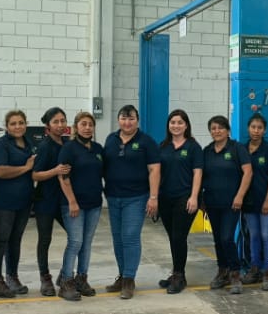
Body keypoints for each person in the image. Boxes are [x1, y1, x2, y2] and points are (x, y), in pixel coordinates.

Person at [103, 105, 160, 299]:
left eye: (131, 118)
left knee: (130, 236)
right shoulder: (111, 140)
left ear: (137, 120)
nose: (127, 122)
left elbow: (154, 170)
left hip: (136, 197)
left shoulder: (146, 142)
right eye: (124, 118)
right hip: (113, 197)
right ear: (118, 119)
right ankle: (122, 275)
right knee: (118, 238)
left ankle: (129, 279)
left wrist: (153, 197)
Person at [0, 110, 36, 298]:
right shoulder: (0, 145)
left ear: (26, 124)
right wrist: (26, 168)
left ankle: (12, 277)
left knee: (15, 240)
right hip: (2, 202)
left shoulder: (28, 144)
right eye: (13, 124)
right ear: (6, 126)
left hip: (23, 201)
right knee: (0, 240)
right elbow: (0, 171)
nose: (18, 126)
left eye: (21, 123)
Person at [56, 112, 104, 301]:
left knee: (86, 243)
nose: (87, 128)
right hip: (74, 205)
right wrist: (72, 201)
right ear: (76, 127)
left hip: (94, 204)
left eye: (90, 124)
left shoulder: (98, 149)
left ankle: (81, 278)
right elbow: (63, 177)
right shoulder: (69, 149)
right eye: (83, 124)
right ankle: (66, 281)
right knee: (75, 241)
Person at [202, 115, 252, 294]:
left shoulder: (237, 149)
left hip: (232, 203)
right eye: (213, 128)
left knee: (226, 238)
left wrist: (240, 196)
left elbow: (248, 172)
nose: (217, 131)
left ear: (227, 130)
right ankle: (222, 272)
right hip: (212, 202)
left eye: (220, 128)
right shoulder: (207, 151)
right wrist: (201, 200)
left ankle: (235, 273)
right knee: (217, 239)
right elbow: (201, 175)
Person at [156, 109, 203, 294]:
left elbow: (197, 173)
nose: (176, 125)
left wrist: (194, 196)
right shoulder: (163, 146)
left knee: (178, 237)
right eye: (173, 122)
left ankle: (179, 275)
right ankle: (176, 272)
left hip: (185, 198)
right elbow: (156, 173)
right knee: (173, 237)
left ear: (186, 125)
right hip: (165, 198)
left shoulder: (193, 147)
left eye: (180, 122)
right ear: (168, 125)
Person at [31, 107, 70, 296]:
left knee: (75, 237)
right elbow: (35, 174)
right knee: (45, 239)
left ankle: (65, 274)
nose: (60, 125)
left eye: (63, 120)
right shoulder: (45, 146)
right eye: (56, 122)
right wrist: (55, 171)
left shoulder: (67, 144)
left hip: (64, 200)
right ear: (48, 126)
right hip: (45, 201)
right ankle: (44, 277)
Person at [240, 113, 268, 291]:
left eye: (260, 128)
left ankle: (267, 272)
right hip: (249, 202)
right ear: (248, 128)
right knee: (253, 235)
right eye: (253, 127)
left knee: (266, 235)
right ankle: (254, 268)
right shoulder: (242, 149)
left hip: (266, 202)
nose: (256, 131)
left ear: (264, 130)